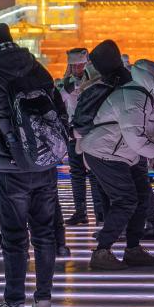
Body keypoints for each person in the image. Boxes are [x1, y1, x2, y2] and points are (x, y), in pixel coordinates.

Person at [0, 23, 67, 307]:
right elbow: (59, 111)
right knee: (44, 232)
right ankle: (44, 300)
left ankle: (13, 303)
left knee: (13, 236)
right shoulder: (36, 68)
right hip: (45, 163)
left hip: (10, 167)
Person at [79, 41, 154, 270]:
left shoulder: (146, 96)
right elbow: (137, 137)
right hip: (105, 153)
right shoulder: (133, 97)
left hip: (124, 154)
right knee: (126, 200)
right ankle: (102, 251)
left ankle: (133, 249)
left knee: (141, 198)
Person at [59, 48, 104, 226]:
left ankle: (100, 211)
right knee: (77, 173)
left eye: (81, 64)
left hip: (91, 130)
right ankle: (80, 211)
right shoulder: (66, 83)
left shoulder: (95, 80)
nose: (78, 68)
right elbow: (58, 99)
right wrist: (68, 88)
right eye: (74, 64)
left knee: (94, 172)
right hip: (73, 130)